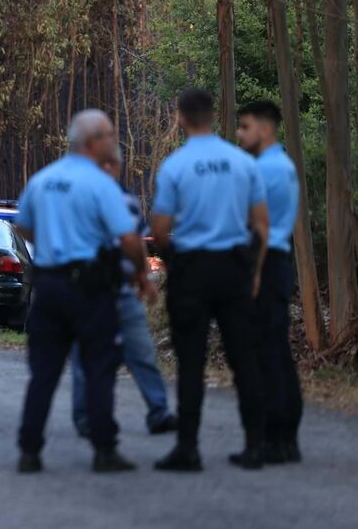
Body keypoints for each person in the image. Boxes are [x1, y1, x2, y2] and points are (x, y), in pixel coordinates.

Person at [15, 109, 157, 474]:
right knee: (99, 367)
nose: (114, 141)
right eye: (110, 135)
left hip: (48, 287)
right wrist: (142, 273)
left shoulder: (43, 180)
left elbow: (24, 228)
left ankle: (29, 450)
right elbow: (128, 237)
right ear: (94, 142)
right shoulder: (100, 184)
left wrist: (54, 241)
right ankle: (104, 450)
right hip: (90, 290)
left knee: (44, 371)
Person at [151, 88, 269, 472]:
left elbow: (161, 227)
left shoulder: (175, 166)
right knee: (245, 359)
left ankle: (188, 448)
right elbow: (261, 223)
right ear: (214, 116)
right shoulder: (242, 163)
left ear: (181, 118)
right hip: (234, 267)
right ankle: (255, 445)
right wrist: (252, 270)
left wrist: (173, 258)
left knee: (190, 360)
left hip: (192, 269)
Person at [70, 148, 177, 438]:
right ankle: (84, 416)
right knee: (86, 356)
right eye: (105, 163)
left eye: (113, 163)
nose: (110, 169)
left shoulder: (127, 198)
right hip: (90, 289)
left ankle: (159, 410)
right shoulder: (79, 199)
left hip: (122, 289)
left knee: (141, 351)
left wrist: (142, 277)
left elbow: (137, 241)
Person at [236, 99, 303, 464]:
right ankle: (286, 435)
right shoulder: (282, 165)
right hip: (277, 259)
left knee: (266, 351)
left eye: (245, 126)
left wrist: (254, 273)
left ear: (264, 128)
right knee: (277, 348)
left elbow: (256, 226)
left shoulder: (265, 170)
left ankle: (274, 437)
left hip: (264, 259)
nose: (240, 134)